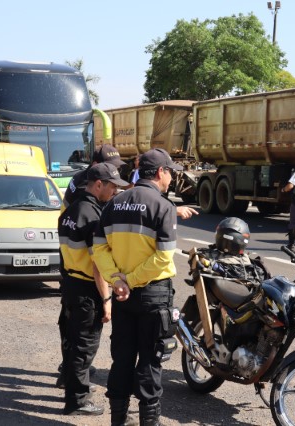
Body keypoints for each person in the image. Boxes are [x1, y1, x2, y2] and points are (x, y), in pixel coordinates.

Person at [93, 148, 185, 426]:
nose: (171, 178)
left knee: (121, 358)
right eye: (170, 172)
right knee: (150, 361)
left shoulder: (114, 203)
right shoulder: (163, 206)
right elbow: (163, 258)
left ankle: (118, 421)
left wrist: (117, 281)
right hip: (152, 296)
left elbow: (98, 249)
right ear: (160, 173)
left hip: (124, 297)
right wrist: (129, 280)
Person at [58, 162, 129, 416]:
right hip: (88, 288)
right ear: (98, 185)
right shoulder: (93, 216)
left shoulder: (69, 211)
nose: (114, 192)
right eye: (112, 187)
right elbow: (98, 264)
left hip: (70, 284)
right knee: (84, 346)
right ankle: (77, 401)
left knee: (72, 341)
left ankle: (71, 388)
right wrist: (107, 299)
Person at [62, 144, 126, 211]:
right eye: (111, 166)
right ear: (95, 164)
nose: (115, 171)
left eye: (117, 168)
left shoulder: (80, 175)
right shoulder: (87, 187)